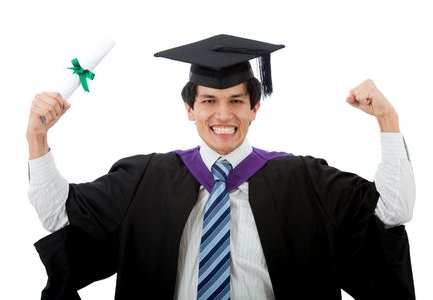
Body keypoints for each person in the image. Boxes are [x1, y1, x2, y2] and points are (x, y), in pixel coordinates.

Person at [27, 35, 415, 300]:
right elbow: (58, 214)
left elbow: (393, 211)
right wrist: (37, 139)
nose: (223, 114)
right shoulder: (146, 179)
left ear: (255, 108)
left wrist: (387, 119)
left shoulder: (303, 179)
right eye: (209, 101)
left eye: (236, 101)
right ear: (190, 109)